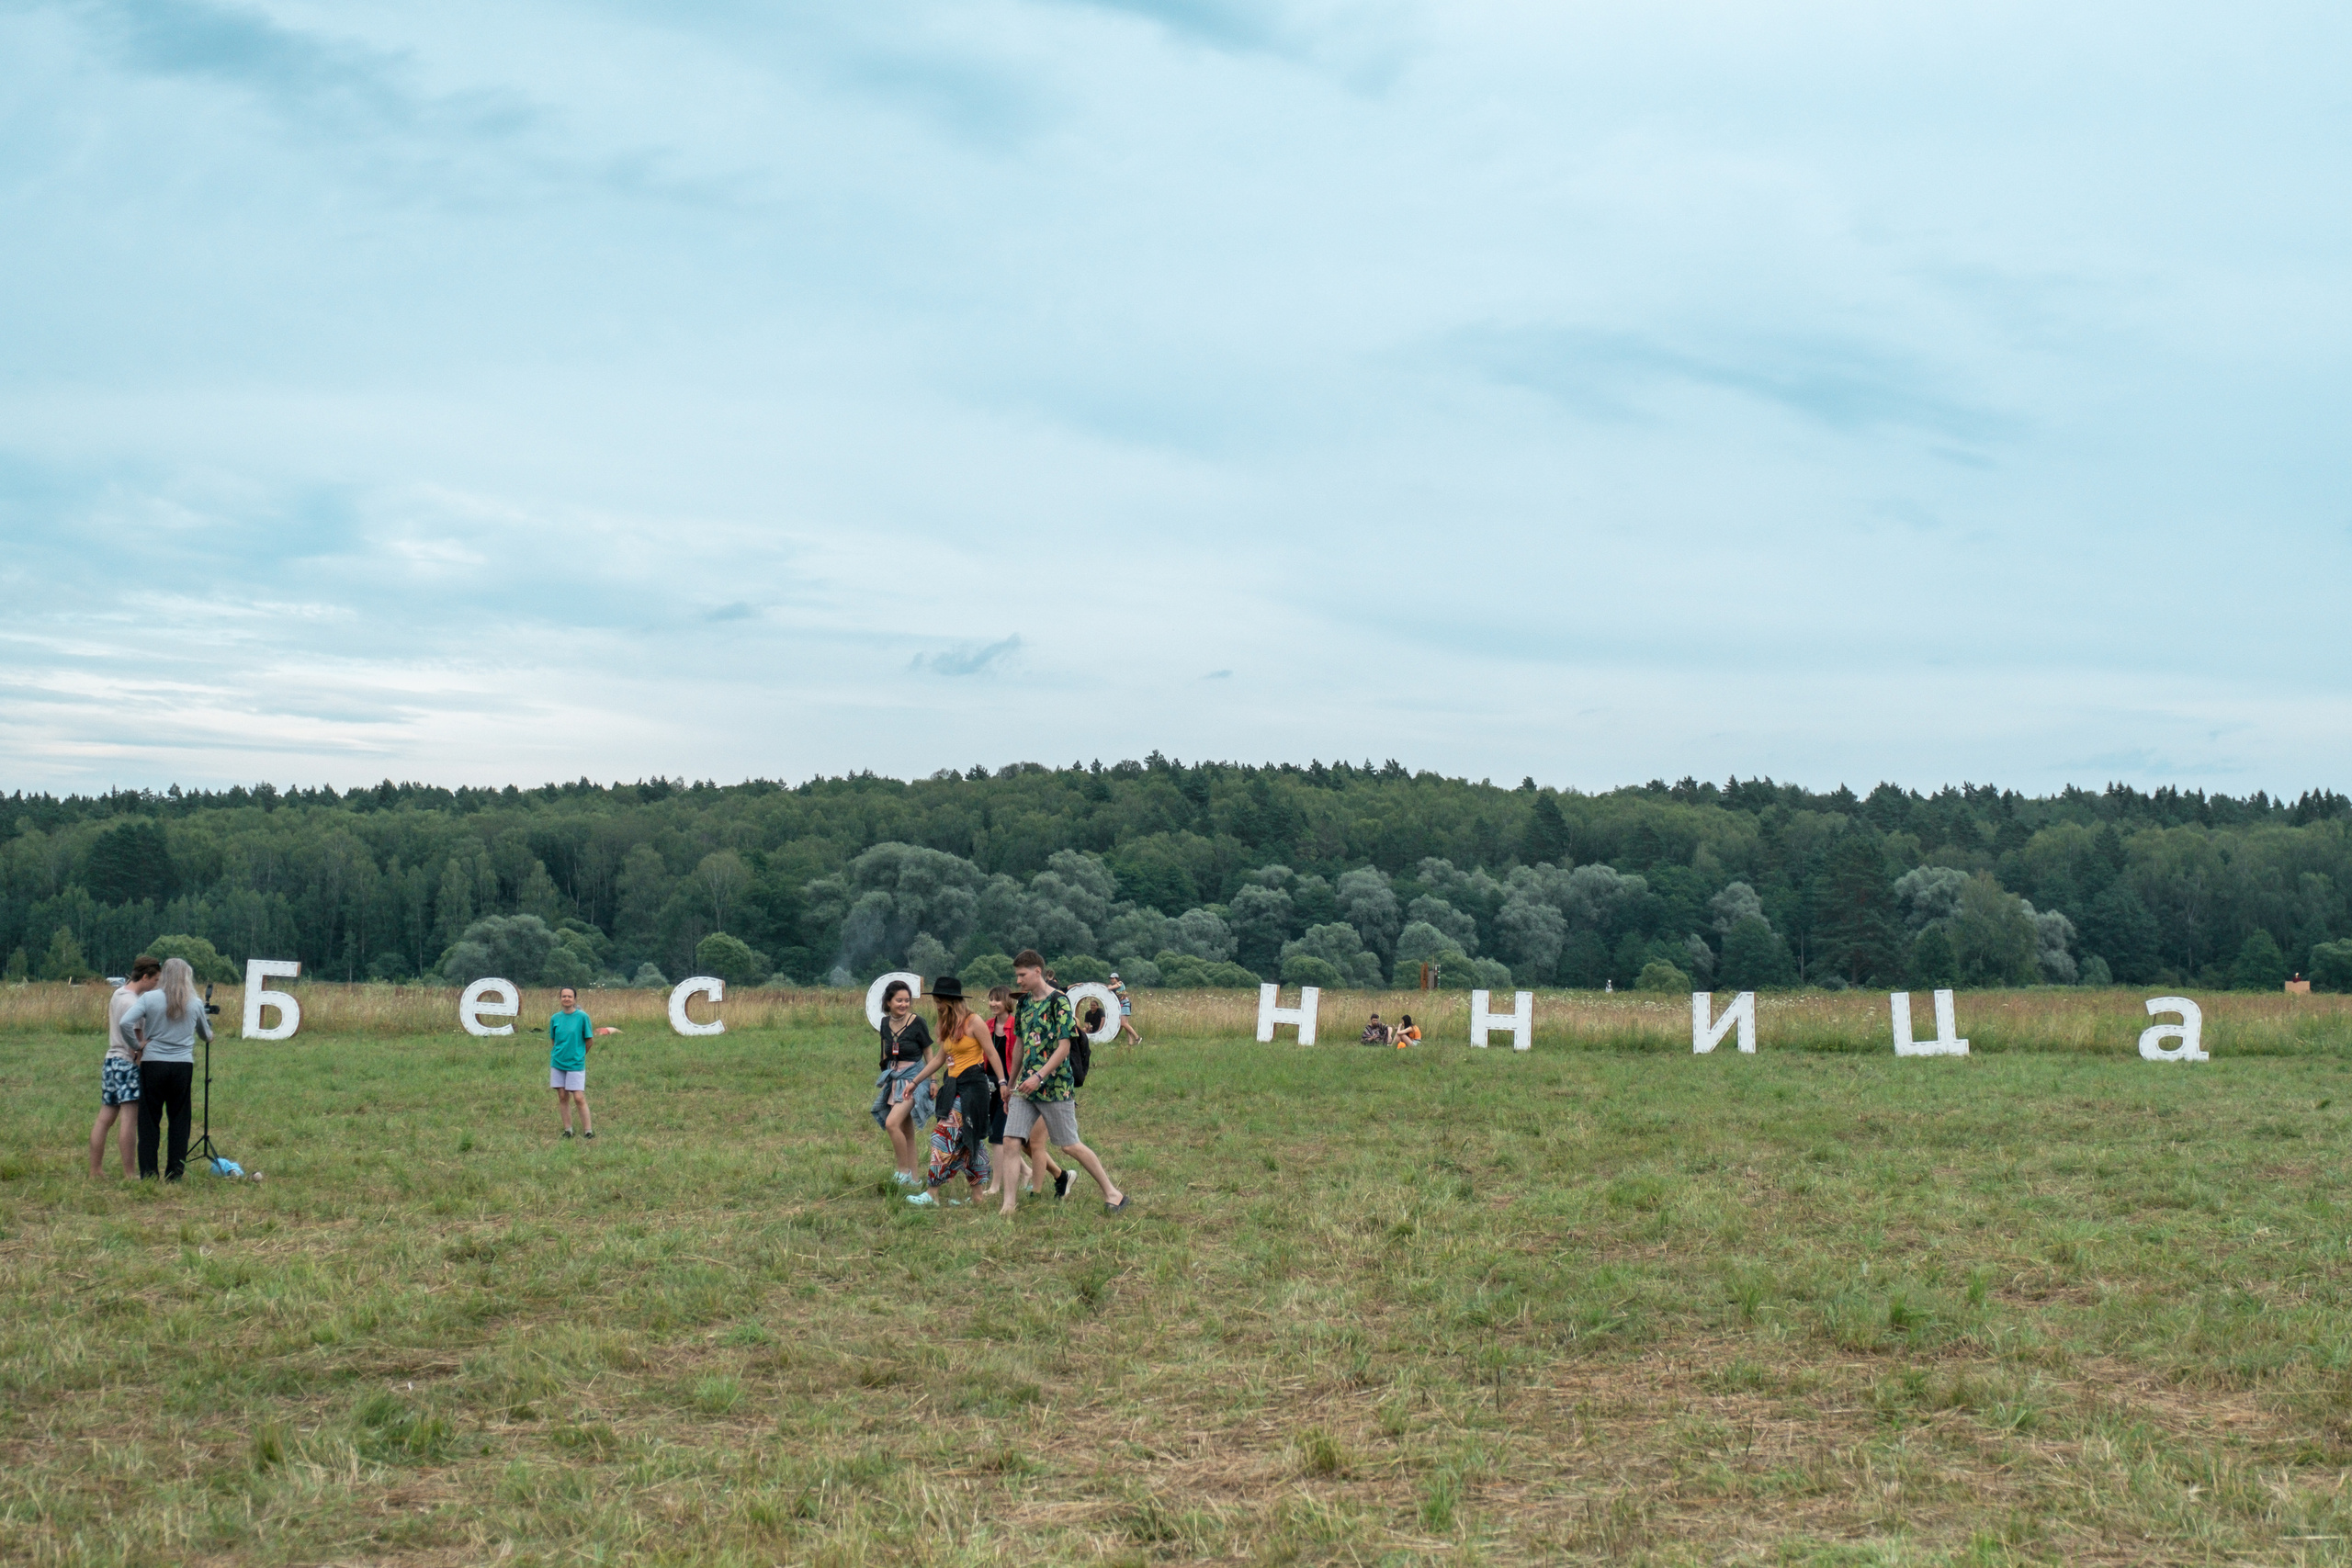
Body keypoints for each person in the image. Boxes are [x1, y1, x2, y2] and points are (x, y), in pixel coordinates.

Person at [1000, 949, 1125, 1216]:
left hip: (1055, 1085)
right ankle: (1008, 1205)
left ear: (1037, 972)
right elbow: (1020, 1046)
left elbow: (1064, 1046)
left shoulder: (1059, 1002)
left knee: (1069, 1144)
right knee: (1011, 1141)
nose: (1019, 980)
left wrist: (1039, 1076)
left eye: (1022, 975)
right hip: (1024, 1087)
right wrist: (1010, 1085)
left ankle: (1113, 1193)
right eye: (1017, 976)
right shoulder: (1023, 1004)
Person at [905, 976, 1004, 1207]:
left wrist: (1002, 1082)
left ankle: (932, 1194)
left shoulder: (974, 1022)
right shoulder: (947, 1024)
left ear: (952, 1001)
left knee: (943, 1135)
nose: (937, 1005)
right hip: (952, 1086)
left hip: (974, 1087)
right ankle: (978, 1196)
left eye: (940, 1001)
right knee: (971, 1139)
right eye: (936, 1001)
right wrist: (916, 1081)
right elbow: (940, 1058)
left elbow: (991, 1053)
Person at [119, 956, 210, 1181]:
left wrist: (136, 1045)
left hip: (153, 1064)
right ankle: (174, 1173)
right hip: (182, 1066)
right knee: (180, 1119)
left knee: (149, 1119)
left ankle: (149, 1172)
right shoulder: (195, 1002)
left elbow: (125, 1023)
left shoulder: (150, 998)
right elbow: (206, 1035)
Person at [980, 986, 1063, 1199]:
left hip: (1020, 1085)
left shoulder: (1016, 1024)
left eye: (997, 1000)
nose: (993, 1004)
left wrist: (1012, 1083)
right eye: (990, 999)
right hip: (993, 1084)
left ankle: (1003, 1186)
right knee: (1013, 1140)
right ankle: (1049, 1174)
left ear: (1008, 1002)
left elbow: (1020, 1055)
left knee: (1016, 1140)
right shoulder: (987, 1026)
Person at [92, 956, 161, 1179]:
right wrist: (141, 1050)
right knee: (129, 1119)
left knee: (105, 1118)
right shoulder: (134, 1004)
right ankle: (130, 1173)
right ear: (145, 977)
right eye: (156, 980)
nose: (157, 985)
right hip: (127, 1063)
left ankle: (95, 1170)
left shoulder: (117, 994)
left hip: (111, 1059)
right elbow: (138, 1041)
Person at [871, 979, 933, 1186]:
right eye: (899, 1000)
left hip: (914, 1079)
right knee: (907, 1132)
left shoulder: (918, 1022)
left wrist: (932, 1080)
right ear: (888, 1002)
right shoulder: (884, 1024)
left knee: (891, 1123)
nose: (904, 1004)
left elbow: (928, 1052)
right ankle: (915, 1180)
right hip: (894, 1079)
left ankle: (902, 1171)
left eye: (907, 1000)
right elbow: (887, 1052)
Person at [548, 986, 604, 1139]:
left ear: (574, 999)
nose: (566, 999)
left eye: (569, 996)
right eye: (564, 996)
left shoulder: (582, 1017)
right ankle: (568, 1130)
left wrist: (580, 1055)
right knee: (562, 1096)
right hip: (558, 1062)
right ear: (560, 999)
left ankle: (588, 1131)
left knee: (578, 1097)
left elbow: (589, 1040)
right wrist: (559, 1053)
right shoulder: (555, 1018)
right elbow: (554, 1039)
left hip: (575, 1063)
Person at [1106, 971, 1144, 1045]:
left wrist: (1109, 986)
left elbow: (1110, 988)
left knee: (1123, 1023)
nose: (1111, 980)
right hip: (1122, 1005)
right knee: (1125, 1024)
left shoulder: (1119, 983)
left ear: (1116, 978)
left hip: (1125, 1004)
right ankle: (1130, 1042)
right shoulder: (1116, 986)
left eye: (1113, 978)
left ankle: (1137, 1037)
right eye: (1111, 978)